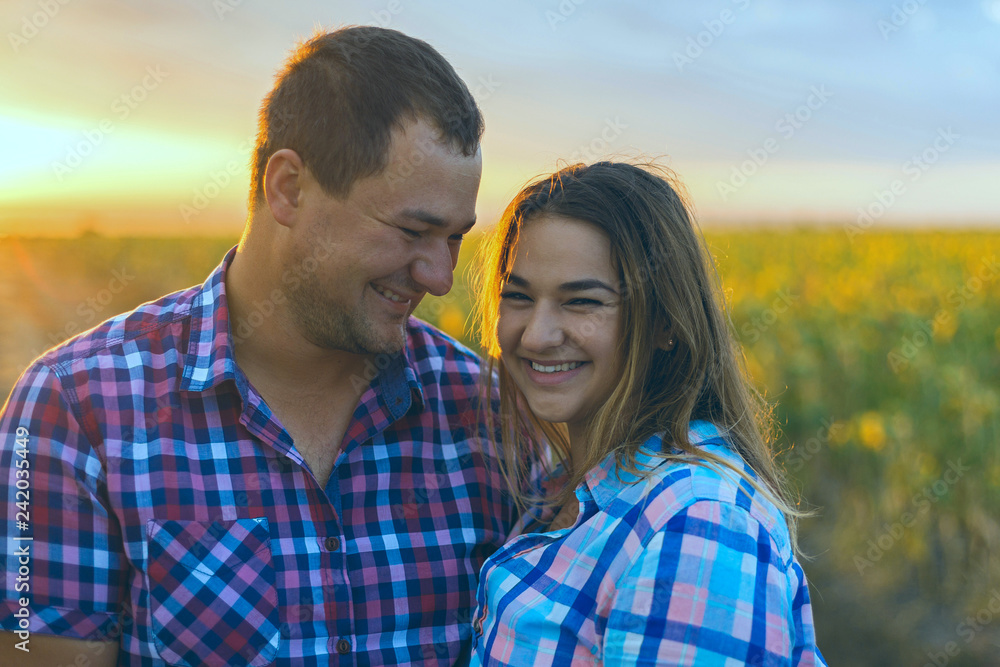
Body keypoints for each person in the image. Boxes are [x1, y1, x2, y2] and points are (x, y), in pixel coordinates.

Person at [0, 26, 518, 666]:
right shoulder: (74, 409)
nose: (440, 277)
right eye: (413, 230)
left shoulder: (491, 416)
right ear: (289, 189)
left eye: (455, 239)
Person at [468, 161, 827, 665]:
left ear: (665, 323)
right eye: (518, 297)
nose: (535, 335)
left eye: (581, 302)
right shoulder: (566, 486)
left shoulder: (697, 524)